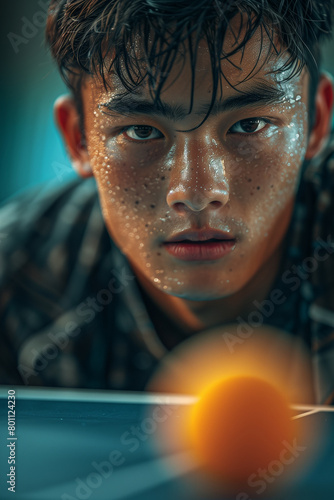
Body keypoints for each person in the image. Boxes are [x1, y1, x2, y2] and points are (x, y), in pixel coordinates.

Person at [0, 0, 334, 404]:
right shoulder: (16, 277)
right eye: (141, 131)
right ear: (78, 137)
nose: (196, 192)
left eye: (249, 125)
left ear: (316, 121)